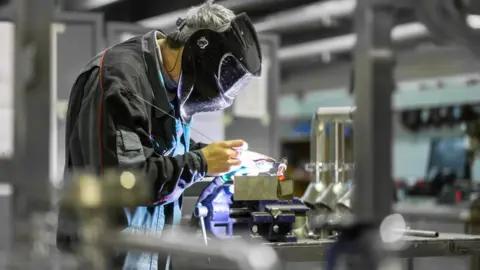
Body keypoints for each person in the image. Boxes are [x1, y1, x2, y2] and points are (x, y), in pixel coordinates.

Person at [56, 0, 263, 269]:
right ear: (197, 51)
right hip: (105, 258)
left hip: (146, 255)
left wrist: (220, 157)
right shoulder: (120, 79)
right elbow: (127, 182)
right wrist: (201, 163)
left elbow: (157, 149)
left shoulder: (171, 83)